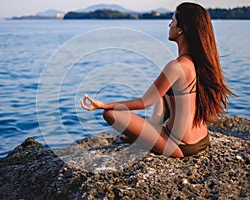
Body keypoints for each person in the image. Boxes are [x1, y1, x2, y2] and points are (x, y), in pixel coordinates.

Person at [80, 2, 233, 158]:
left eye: (173, 20)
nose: (169, 24)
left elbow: (145, 102)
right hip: (201, 139)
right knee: (163, 93)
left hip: (180, 145)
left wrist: (102, 105)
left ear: (181, 29)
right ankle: (146, 137)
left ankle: (145, 138)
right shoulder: (199, 63)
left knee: (111, 114)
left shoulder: (177, 66)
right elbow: (160, 101)